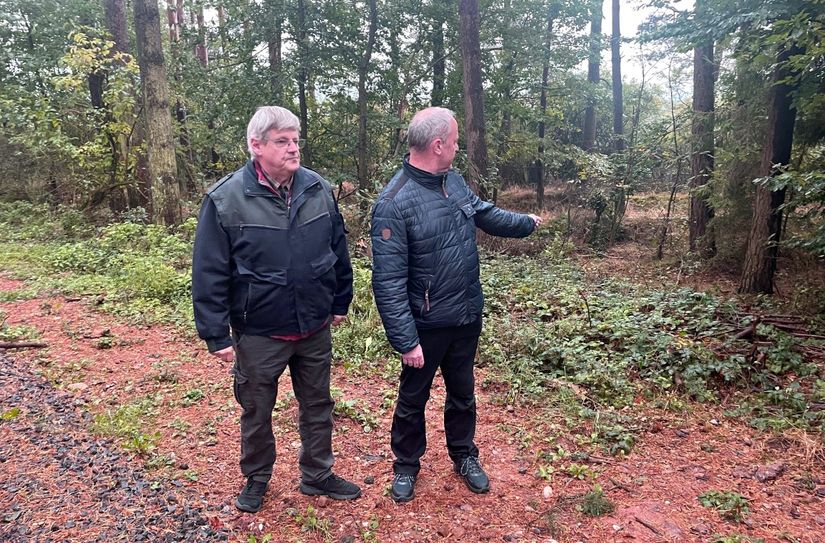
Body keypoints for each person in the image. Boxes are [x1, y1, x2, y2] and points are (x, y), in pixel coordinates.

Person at [192, 106, 361, 513]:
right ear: (256, 145)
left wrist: (340, 300)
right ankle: (257, 477)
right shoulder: (226, 199)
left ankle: (317, 475)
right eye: (282, 141)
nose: (292, 149)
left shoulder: (317, 188)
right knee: (256, 408)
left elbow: (337, 250)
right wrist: (216, 333)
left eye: (295, 140)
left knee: (318, 404)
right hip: (259, 330)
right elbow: (210, 271)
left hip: (313, 325)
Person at [370, 107, 542, 502]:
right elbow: (388, 281)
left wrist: (525, 222)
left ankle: (464, 455)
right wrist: (405, 340)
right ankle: (406, 466)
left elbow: (484, 213)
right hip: (426, 325)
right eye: (455, 140)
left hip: (466, 314)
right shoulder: (393, 203)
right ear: (437, 145)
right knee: (413, 398)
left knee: (463, 392)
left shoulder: (454, 181)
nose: (458, 147)